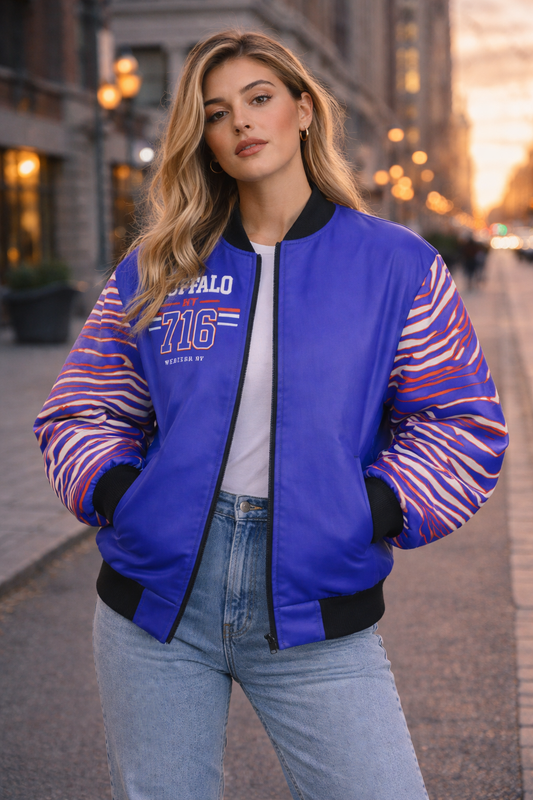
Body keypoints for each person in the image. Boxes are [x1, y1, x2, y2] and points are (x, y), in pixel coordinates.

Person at [35, 30, 508, 800]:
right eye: (217, 113)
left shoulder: (395, 265)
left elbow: (460, 423)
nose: (242, 123)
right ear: (207, 142)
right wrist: (126, 499)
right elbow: (82, 407)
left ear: (303, 110)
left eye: (259, 99)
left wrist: (368, 509)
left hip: (316, 606)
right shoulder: (161, 266)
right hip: (156, 610)